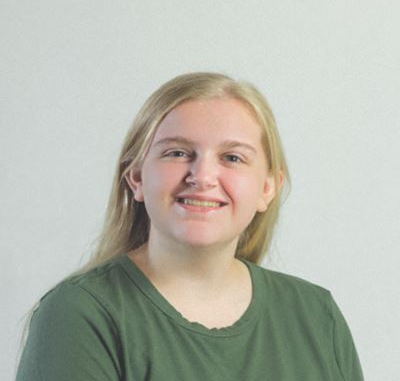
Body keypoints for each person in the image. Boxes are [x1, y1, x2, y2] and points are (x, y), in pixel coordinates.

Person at [15, 72, 364, 380]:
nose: (203, 176)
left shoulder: (317, 315)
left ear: (267, 188)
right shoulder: (79, 314)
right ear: (137, 178)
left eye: (232, 157)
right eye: (178, 153)